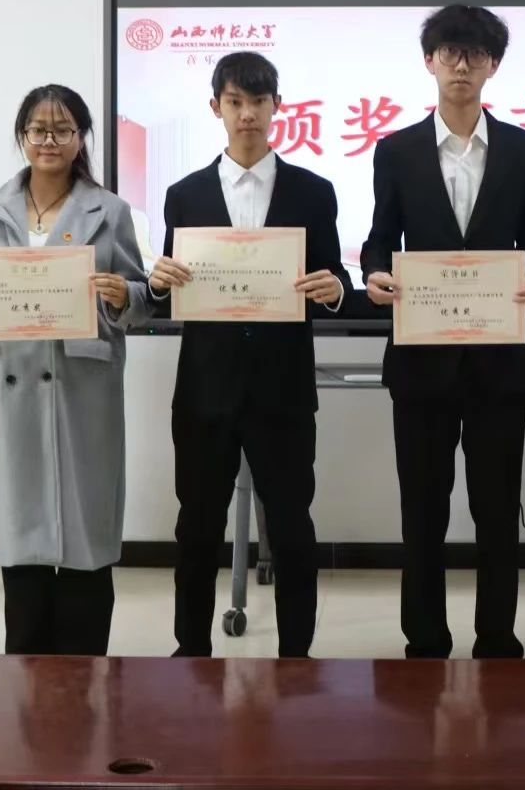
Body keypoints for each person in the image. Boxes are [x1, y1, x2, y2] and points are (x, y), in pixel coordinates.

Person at [360, 4, 525, 659]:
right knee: (423, 511)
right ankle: (425, 640)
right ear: (430, 61)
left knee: (497, 509)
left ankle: (497, 638)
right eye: (450, 52)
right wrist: (374, 274)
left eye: (475, 55)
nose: (462, 66)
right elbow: (380, 240)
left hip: (500, 360)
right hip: (422, 359)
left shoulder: (524, 150)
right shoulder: (396, 150)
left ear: (493, 65)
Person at [148, 51, 351, 658]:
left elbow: (334, 274)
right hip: (205, 389)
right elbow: (171, 288)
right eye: (235, 102)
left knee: (291, 527)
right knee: (196, 527)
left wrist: (336, 288)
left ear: (277, 107)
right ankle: (190, 652)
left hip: (282, 388)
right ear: (216, 107)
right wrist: (157, 283)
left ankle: (296, 656)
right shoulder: (185, 195)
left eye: (258, 102)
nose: (247, 114)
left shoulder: (313, 192)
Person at [0, 85, 151, 656]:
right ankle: (26, 671)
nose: (49, 140)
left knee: (84, 535)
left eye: (63, 130)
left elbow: (142, 298)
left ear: (81, 138)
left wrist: (121, 295)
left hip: (81, 389)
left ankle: (85, 671)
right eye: (38, 129)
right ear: (22, 136)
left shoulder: (110, 210)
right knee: (21, 534)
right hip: (9, 389)